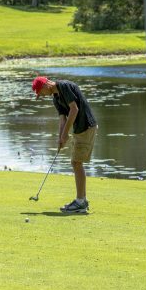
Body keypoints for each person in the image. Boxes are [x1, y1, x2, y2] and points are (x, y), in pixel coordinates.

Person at [32, 76, 98, 213]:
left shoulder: (64, 86)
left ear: (45, 85)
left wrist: (66, 133)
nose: (42, 96)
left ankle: (80, 202)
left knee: (76, 163)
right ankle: (82, 201)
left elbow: (74, 110)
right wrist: (60, 137)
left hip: (86, 126)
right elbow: (63, 119)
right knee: (76, 163)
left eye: (41, 93)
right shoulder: (55, 99)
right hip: (79, 129)